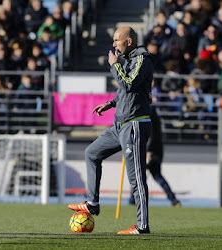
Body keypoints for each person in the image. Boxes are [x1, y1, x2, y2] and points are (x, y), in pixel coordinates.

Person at [68, 26, 154, 234]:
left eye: (117, 40)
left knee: (137, 179)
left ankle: (142, 226)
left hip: (135, 124)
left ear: (129, 42)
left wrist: (115, 66)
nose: (114, 44)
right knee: (92, 153)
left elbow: (130, 85)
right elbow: (127, 92)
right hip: (120, 125)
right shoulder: (130, 61)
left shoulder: (142, 59)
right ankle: (92, 204)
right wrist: (111, 103)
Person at [129, 105, 181, 207]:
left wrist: (148, 151)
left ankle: (133, 200)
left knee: (139, 176)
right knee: (155, 176)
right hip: (156, 151)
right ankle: (173, 199)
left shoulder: (149, 116)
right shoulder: (155, 118)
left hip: (150, 151)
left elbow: (151, 135)